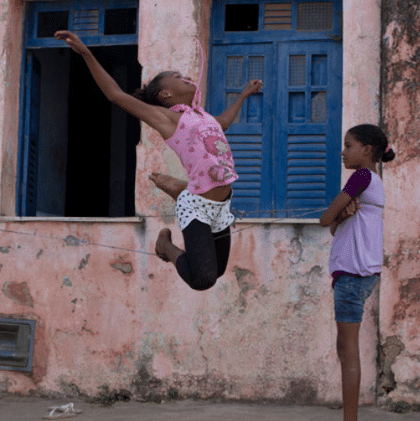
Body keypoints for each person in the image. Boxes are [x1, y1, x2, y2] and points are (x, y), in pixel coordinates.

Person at [54, 30, 263, 291]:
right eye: (178, 78)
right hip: (197, 206)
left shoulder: (204, 117)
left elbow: (224, 123)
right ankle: (166, 245)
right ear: (166, 95)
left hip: (221, 205)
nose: (186, 78)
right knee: (202, 279)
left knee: (218, 271)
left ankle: (180, 187)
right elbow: (116, 95)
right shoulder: (168, 119)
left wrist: (243, 95)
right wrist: (86, 54)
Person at [318, 124, 395, 421]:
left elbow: (325, 219)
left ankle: (350, 418)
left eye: (348, 145)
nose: (342, 151)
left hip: (352, 275)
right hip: (358, 274)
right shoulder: (372, 182)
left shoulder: (361, 176)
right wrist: (342, 214)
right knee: (345, 349)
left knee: (347, 352)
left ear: (366, 151)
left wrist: (336, 212)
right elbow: (337, 226)